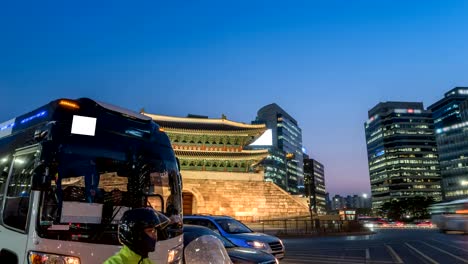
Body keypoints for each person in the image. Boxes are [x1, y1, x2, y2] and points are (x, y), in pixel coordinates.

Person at [104, 207, 170, 264]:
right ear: (136, 235)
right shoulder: (114, 263)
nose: (155, 235)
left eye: (155, 231)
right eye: (150, 231)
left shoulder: (146, 262)